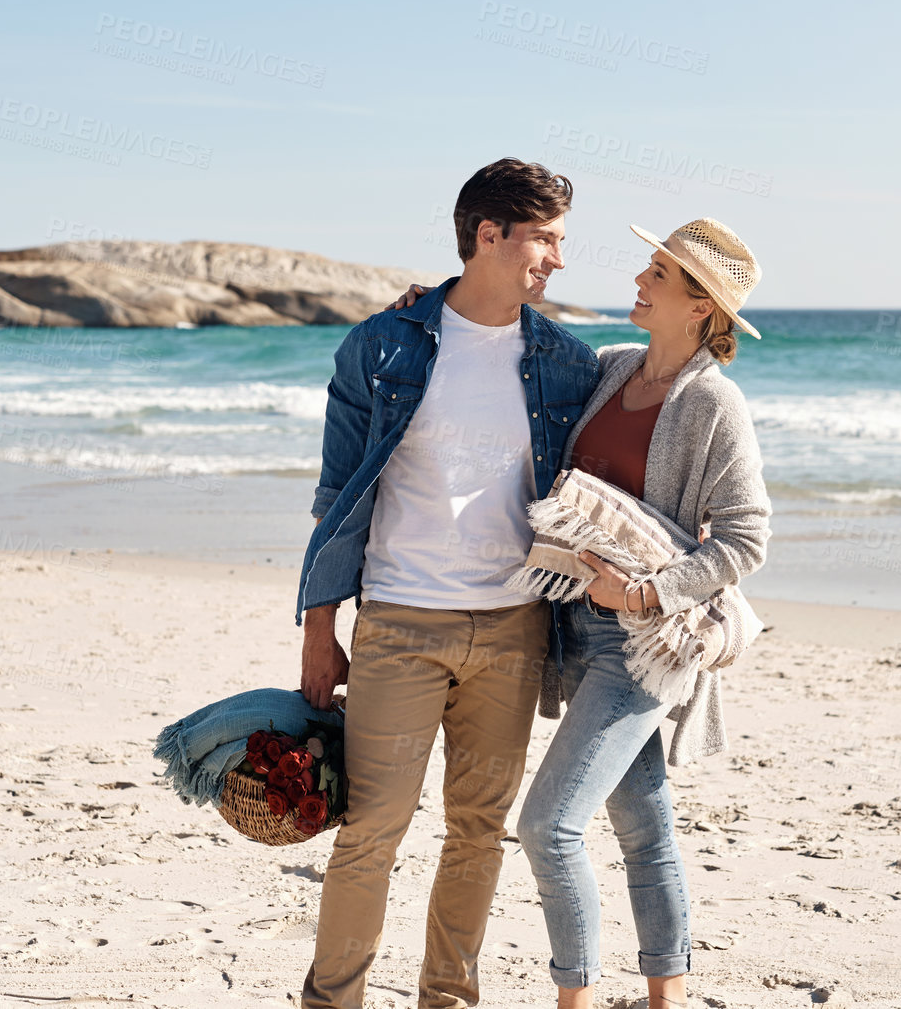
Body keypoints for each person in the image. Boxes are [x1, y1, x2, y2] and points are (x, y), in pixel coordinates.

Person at [393, 218, 771, 1009]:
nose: (639, 277)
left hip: (642, 644)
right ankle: (665, 994)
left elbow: (745, 537)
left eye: (659, 273)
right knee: (641, 822)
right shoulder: (610, 367)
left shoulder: (713, 402)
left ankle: (575, 999)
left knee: (547, 825)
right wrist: (440, 308)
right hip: (572, 627)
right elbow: (515, 342)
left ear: (700, 306)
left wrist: (642, 594)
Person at [294, 158, 601, 1009]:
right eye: (545, 239)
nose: (558, 259)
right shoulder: (381, 345)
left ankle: (447, 999)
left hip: (513, 627)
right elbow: (334, 494)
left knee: (478, 835)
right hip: (399, 622)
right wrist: (319, 630)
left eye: (560, 240)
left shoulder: (568, 363)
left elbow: (655, 395)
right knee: (370, 832)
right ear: (488, 235)